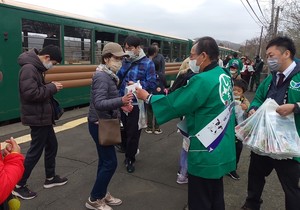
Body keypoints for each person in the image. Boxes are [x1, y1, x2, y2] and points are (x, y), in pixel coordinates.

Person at [136, 36, 236, 210]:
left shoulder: (203, 80)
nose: (190, 60)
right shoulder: (224, 75)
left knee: (200, 199)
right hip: (221, 143)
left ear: (203, 56)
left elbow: (177, 103)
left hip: (205, 147)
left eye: (192, 55)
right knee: (216, 195)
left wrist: (148, 97)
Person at [241, 36, 300, 210]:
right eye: (267, 56)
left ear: (286, 53)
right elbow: (258, 98)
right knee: (255, 175)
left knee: (291, 187)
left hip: (289, 144)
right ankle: (251, 204)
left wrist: (295, 106)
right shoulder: (271, 78)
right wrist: (253, 108)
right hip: (264, 140)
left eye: (271, 55)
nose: (268, 60)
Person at [13, 45, 67, 200]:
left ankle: (50, 178)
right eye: (54, 63)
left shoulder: (35, 68)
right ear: (47, 57)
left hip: (42, 116)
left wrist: (48, 87)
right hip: (37, 118)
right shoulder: (29, 69)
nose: (53, 66)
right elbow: (30, 94)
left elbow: (35, 90)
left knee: (51, 145)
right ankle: (18, 185)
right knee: (35, 151)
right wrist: (51, 87)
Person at [85, 42, 133, 210]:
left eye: (121, 59)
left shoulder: (108, 75)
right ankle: (94, 198)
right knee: (110, 163)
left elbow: (105, 101)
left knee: (104, 161)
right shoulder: (102, 77)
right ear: (106, 59)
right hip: (100, 124)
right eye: (117, 58)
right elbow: (99, 103)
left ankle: (102, 193)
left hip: (103, 122)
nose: (120, 62)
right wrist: (121, 100)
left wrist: (121, 105)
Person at [117, 36, 156, 173]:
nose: (127, 51)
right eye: (125, 48)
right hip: (122, 101)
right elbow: (119, 78)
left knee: (134, 133)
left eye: (130, 48)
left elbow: (151, 84)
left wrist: (137, 85)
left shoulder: (148, 63)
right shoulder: (125, 61)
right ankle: (127, 150)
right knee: (124, 130)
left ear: (138, 48)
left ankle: (130, 158)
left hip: (136, 104)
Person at [168, 44, 199, 185]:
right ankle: (184, 173)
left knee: (186, 146)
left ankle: (182, 171)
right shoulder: (198, 78)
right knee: (191, 147)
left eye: (192, 55)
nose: (191, 59)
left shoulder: (185, 75)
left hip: (186, 118)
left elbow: (174, 95)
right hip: (194, 119)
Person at [228, 79, 249, 180]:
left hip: (239, 131)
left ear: (243, 92)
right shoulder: (227, 99)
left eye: (239, 91)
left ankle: (233, 169)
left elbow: (250, 113)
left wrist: (246, 109)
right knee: (226, 148)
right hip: (227, 130)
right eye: (234, 90)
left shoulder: (244, 101)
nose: (235, 92)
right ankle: (225, 166)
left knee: (238, 149)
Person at [145, 46, 166, 134]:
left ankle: (149, 128)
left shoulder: (149, 75)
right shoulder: (161, 75)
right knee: (158, 110)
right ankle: (157, 128)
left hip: (150, 94)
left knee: (149, 111)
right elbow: (165, 84)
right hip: (159, 95)